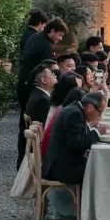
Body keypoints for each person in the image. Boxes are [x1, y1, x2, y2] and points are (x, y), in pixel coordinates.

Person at [16, 18, 66, 161]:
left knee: (24, 126)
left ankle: (23, 160)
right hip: (30, 85)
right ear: (51, 31)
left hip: (25, 83)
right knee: (29, 124)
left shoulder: (37, 37)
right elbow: (47, 70)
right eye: (59, 35)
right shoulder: (45, 45)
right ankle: (27, 160)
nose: (60, 39)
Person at [43, 91, 107, 187]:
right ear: (90, 107)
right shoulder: (75, 114)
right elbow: (76, 144)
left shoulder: (75, 109)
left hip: (62, 161)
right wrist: (97, 132)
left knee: (98, 163)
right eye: (100, 112)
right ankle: (90, 201)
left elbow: (76, 135)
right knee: (101, 168)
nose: (100, 116)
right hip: (62, 168)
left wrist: (89, 127)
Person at [25, 62, 58, 134]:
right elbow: (48, 128)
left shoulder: (36, 94)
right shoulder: (43, 100)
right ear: (44, 80)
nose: (55, 76)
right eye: (52, 74)